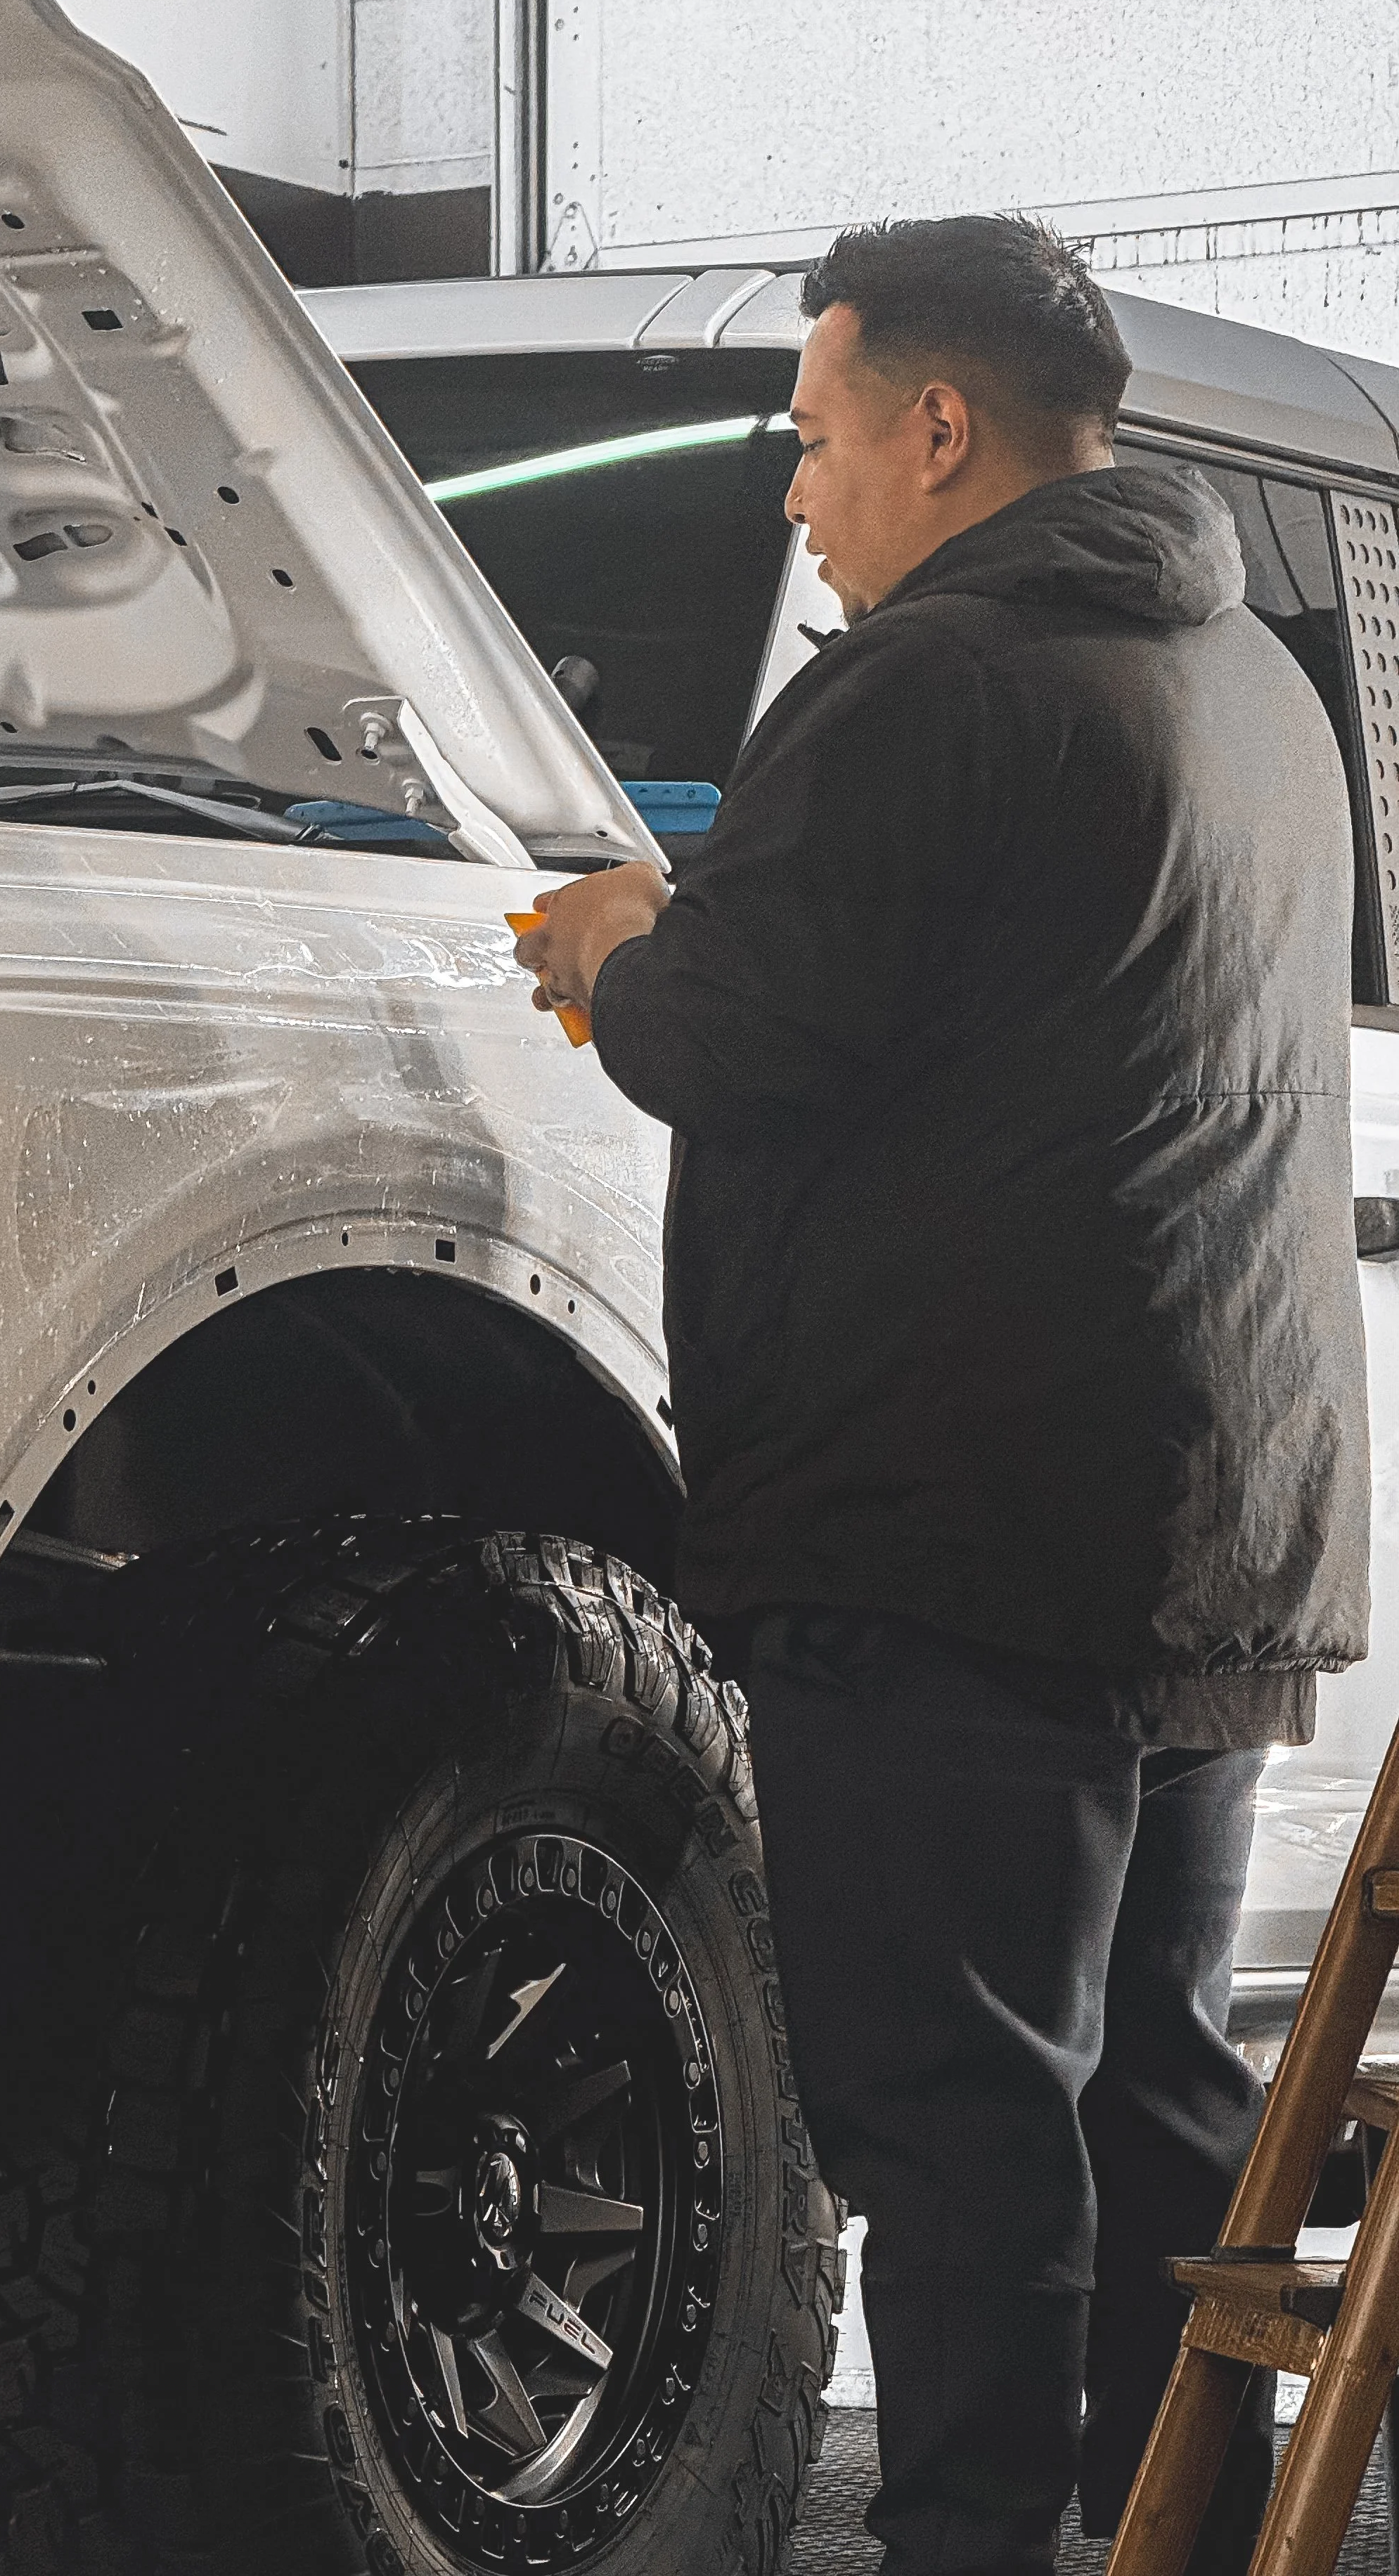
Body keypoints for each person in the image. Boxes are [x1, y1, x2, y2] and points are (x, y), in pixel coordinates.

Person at [512, 214, 1370, 2576]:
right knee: (1153, 2091)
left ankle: (973, 2545)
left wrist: (611, 950)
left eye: (805, 438)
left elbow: (738, 1037)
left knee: (961, 2117)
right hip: (1209, 1520)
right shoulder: (1258, 686)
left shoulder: (929, 686)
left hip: (947, 1528)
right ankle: (1170, 2531)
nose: (795, 496)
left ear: (935, 424)